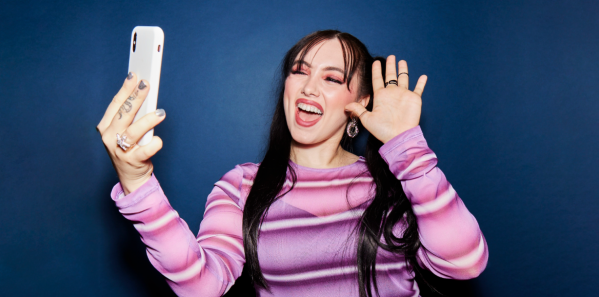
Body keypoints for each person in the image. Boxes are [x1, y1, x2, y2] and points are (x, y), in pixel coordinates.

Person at [97, 30, 488, 297]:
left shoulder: (397, 179)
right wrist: (138, 181)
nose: (309, 86)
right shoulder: (242, 186)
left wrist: (407, 147)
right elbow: (201, 287)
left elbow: (464, 263)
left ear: (360, 106)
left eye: (332, 78)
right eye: (299, 71)